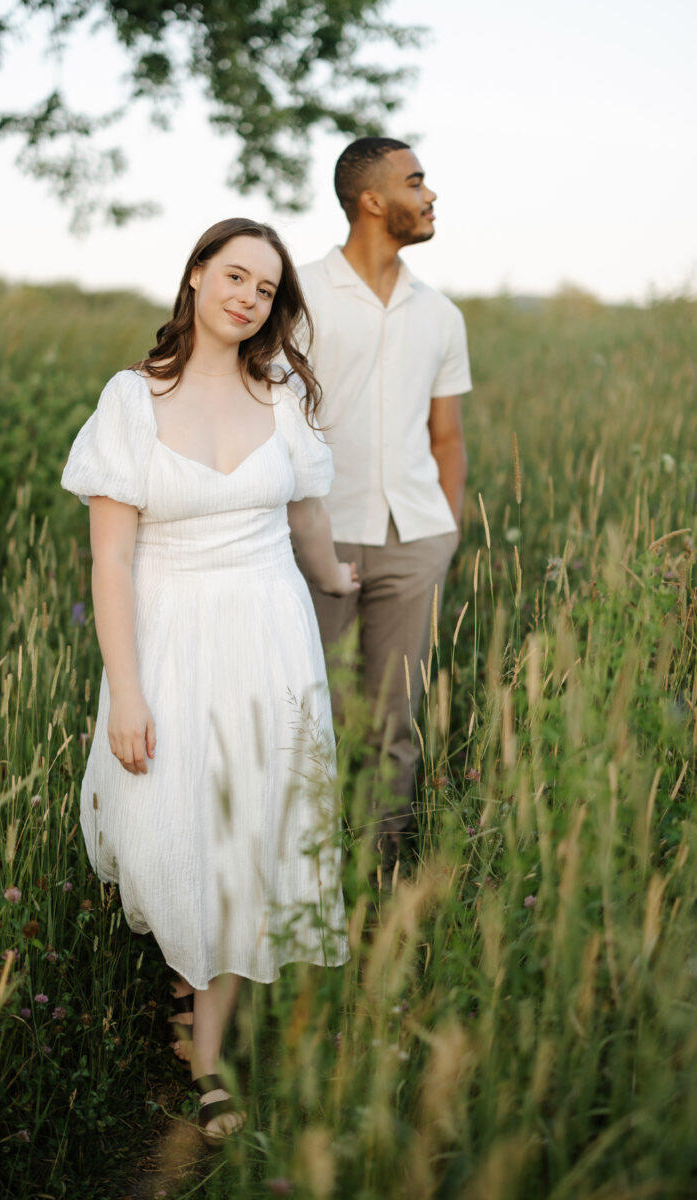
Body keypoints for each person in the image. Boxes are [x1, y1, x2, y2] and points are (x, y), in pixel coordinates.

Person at [60, 218, 357, 1143]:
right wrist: (129, 691)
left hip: (271, 635)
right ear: (195, 277)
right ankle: (186, 977)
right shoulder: (130, 401)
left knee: (252, 833)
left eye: (266, 289)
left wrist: (341, 575)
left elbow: (303, 519)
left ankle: (213, 1053)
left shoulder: (282, 399)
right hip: (170, 634)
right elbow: (112, 562)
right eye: (234, 275)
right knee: (167, 830)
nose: (247, 297)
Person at [297, 137, 472, 873]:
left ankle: (379, 884)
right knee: (312, 719)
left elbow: (447, 435)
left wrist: (448, 534)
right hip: (316, 539)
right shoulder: (297, 294)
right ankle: (309, 878)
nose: (431, 195)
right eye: (416, 182)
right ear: (372, 200)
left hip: (415, 539)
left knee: (393, 724)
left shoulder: (440, 314)